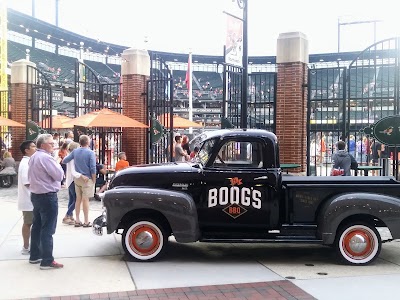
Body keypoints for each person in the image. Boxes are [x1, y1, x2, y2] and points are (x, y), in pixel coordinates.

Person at [28, 133, 64, 270]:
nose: (53, 146)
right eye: (51, 144)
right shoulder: (46, 158)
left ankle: (35, 255)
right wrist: (57, 162)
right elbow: (59, 175)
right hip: (47, 196)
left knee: (37, 225)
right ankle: (47, 260)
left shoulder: (33, 157)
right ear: (42, 145)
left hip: (36, 195)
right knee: (48, 228)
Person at [62, 135, 96, 228]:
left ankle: (77, 220)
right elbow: (93, 167)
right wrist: (94, 179)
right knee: (85, 200)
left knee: (78, 199)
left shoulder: (75, 151)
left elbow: (65, 160)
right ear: (88, 142)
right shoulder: (90, 153)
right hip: (87, 178)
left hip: (77, 179)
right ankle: (86, 221)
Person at [17, 140, 37, 255]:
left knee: (30, 222)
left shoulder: (29, 162)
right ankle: (26, 246)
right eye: (33, 146)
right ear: (27, 150)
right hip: (29, 199)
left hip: (30, 199)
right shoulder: (26, 164)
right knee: (28, 222)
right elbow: (27, 182)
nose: (35, 148)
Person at [62, 142, 88, 225]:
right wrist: (81, 175)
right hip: (73, 180)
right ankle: (67, 215)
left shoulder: (68, 157)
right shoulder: (73, 158)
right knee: (77, 199)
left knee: (72, 199)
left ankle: (70, 216)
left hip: (69, 180)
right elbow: (73, 171)